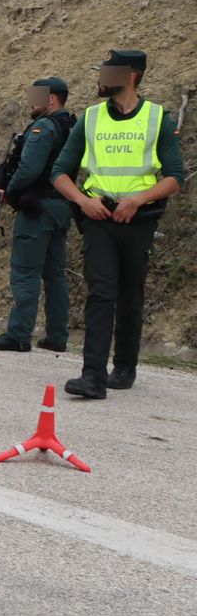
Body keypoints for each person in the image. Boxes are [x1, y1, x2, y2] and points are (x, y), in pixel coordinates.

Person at [51, 49, 185, 399]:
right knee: (101, 291)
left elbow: (175, 177)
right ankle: (92, 376)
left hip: (138, 218)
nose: (100, 78)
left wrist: (138, 200)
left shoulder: (157, 118)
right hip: (98, 217)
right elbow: (59, 173)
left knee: (130, 293)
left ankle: (124, 365)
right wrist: (83, 200)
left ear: (129, 76)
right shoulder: (90, 118)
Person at [0, 77, 76, 353]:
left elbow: (29, 169)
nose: (31, 102)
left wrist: (9, 191)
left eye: (37, 96)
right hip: (61, 205)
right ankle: (57, 336)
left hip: (39, 208)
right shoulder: (70, 126)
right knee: (54, 273)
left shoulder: (44, 127)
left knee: (25, 271)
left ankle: (19, 334)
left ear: (51, 99)